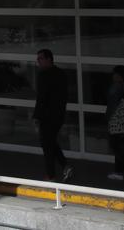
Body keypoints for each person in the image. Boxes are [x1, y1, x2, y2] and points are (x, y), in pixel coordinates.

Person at [33, 49, 73, 182]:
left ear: (49, 59)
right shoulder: (61, 74)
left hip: (47, 116)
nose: (38, 61)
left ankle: (51, 175)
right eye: (37, 59)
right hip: (58, 116)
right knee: (50, 142)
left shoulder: (43, 75)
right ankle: (65, 166)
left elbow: (41, 98)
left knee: (47, 145)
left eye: (40, 59)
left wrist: (37, 117)